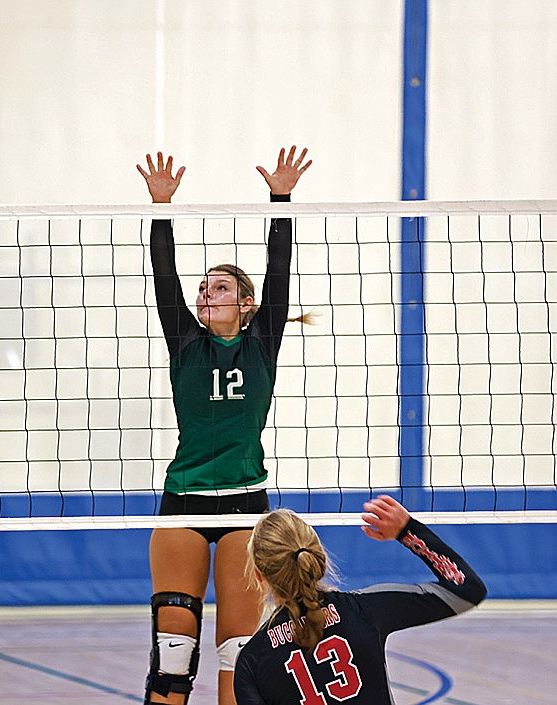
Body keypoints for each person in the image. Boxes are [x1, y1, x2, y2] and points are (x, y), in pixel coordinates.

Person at [134, 147, 312, 705]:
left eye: (219, 288)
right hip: (183, 501)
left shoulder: (262, 344)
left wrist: (280, 199)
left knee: (239, 656)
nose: (204, 293)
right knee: (173, 657)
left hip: (244, 506)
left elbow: (278, 272)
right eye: (203, 288)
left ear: (246, 303)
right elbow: (166, 279)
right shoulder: (187, 344)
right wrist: (161, 207)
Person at [234, 495, 487, 704]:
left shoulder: (251, 661)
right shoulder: (364, 610)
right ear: (316, 556)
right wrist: (408, 531)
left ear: (258, 575)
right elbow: (467, 589)